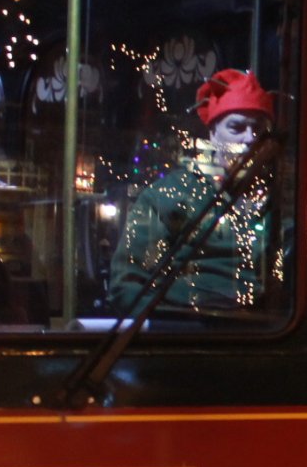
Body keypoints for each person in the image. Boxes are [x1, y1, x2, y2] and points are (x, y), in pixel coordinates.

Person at [108, 68, 286, 315]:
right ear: (213, 133)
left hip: (260, 336)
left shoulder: (280, 203)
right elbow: (126, 286)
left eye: (258, 130)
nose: (249, 139)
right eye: (237, 128)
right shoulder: (167, 197)